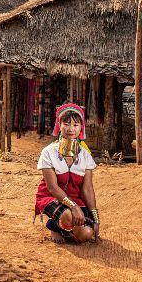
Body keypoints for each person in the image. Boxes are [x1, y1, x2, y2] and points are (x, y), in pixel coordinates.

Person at [35, 103, 100, 244]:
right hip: (51, 198)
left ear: (81, 127)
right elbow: (52, 188)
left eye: (75, 125)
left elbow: (87, 189)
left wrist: (95, 217)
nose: (71, 129)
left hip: (77, 201)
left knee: (86, 234)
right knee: (67, 216)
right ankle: (55, 225)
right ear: (59, 124)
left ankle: (63, 227)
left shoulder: (85, 156)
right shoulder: (48, 152)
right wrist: (74, 207)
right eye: (66, 124)